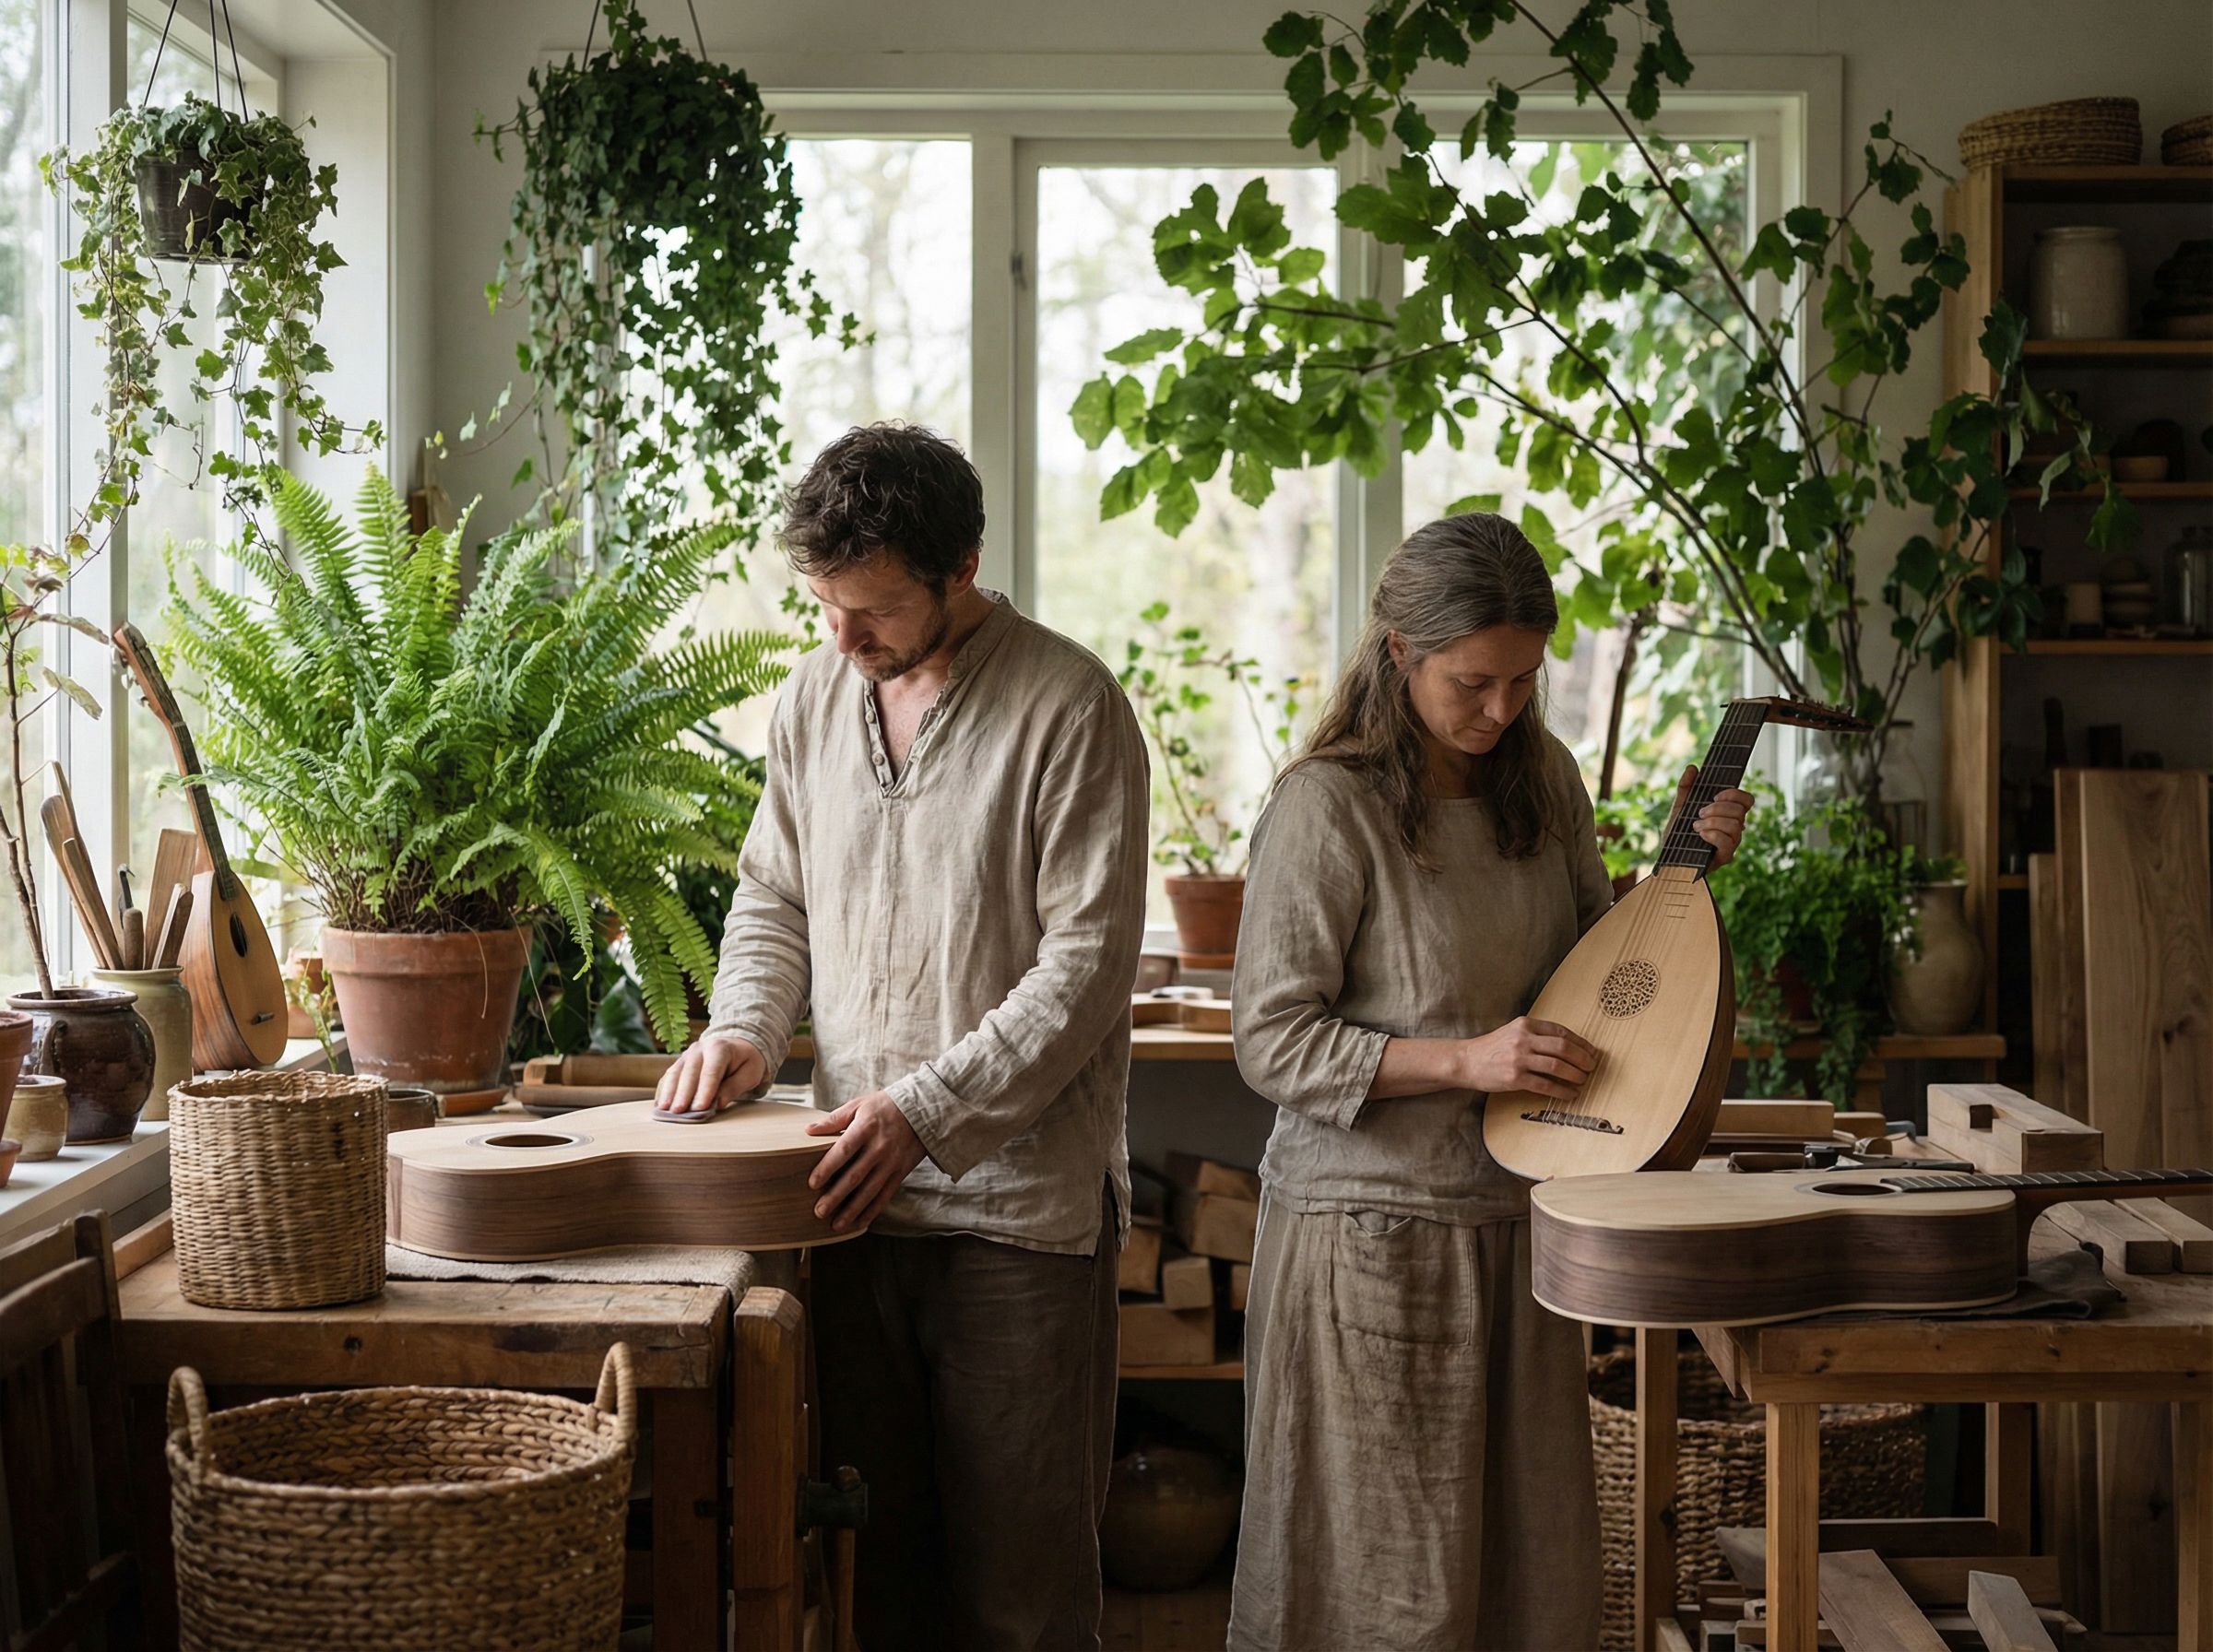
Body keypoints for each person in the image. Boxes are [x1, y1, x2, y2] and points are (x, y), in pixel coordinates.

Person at [654, 422, 1150, 1651]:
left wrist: (925, 1113)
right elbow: (775, 893)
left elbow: (1085, 971)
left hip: (1019, 1219)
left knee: (1024, 1594)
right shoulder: (819, 696)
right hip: (848, 1197)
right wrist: (747, 1031)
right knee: (881, 1576)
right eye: (825, 605)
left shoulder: (1070, 707)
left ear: (962, 569)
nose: (842, 638)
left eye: (871, 609)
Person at [1226, 512, 1752, 1651]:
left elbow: (1592, 979)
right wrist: (1467, 1060)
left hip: (1521, 1228)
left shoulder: (1542, 780)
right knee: (1387, 1597)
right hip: (1370, 1243)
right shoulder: (1328, 806)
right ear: (1400, 653)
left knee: (1526, 1580)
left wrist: (1683, 874)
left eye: (1523, 679)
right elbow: (1270, 1042)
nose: (1502, 709)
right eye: (1473, 681)